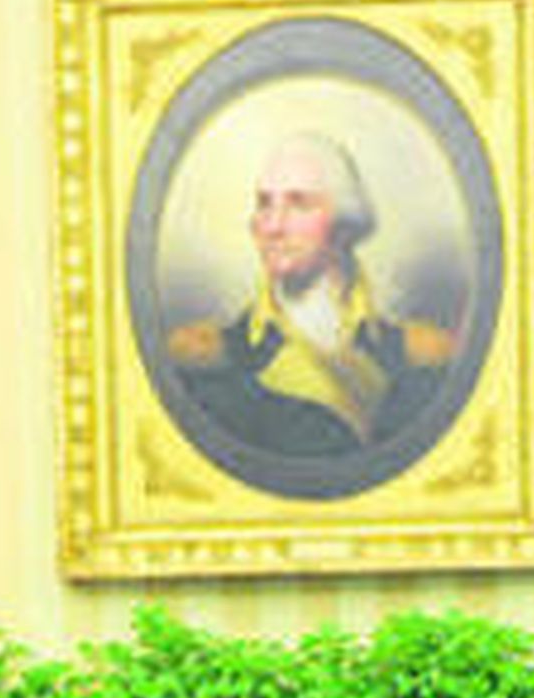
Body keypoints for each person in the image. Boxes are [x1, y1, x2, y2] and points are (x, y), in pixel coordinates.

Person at [166, 130, 458, 460]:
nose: (273, 226)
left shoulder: (422, 356)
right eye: (264, 204)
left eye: (298, 204)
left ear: (344, 221)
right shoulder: (205, 360)